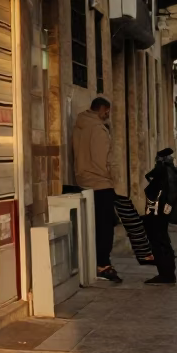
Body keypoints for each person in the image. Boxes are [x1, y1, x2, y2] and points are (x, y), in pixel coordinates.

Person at [72, 97, 123, 283]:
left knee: (93, 226)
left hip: (83, 180)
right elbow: (103, 159)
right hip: (100, 183)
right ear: (102, 110)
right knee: (105, 227)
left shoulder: (80, 125)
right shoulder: (98, 129)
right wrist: (112, 178)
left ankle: (94, 262)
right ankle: (103, 264)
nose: (108, 115)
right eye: (107, 112)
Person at [142, 149, 177, 285]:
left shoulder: (166, 171)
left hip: (159, 212)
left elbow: (172, 192)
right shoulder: (163, 171)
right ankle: (166, 272)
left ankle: (166, 274)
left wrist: (167, 207)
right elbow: (150, 177)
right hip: (157, 211)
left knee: (160, 241)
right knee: (160, 240)